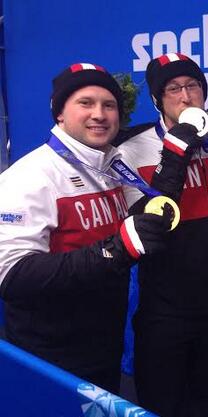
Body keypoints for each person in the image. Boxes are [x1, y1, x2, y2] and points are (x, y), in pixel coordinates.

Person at [0, 63, 170, 393]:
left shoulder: (113, 165)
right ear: (59, 113)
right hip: (49, 356)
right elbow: (11, 277)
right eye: (86, 103)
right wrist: (113, 252)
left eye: (109, 105)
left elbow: (138, 216)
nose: (100, 114)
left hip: (103, 344)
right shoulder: (30, 176)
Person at [117, 53, 208, 417]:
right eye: (173, 89)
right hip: (166, 312)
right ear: (158, 100)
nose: (186, 96)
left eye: (193, 86)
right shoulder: (132, 151)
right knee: (162, 405)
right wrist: (175, 151)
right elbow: (150, 224)